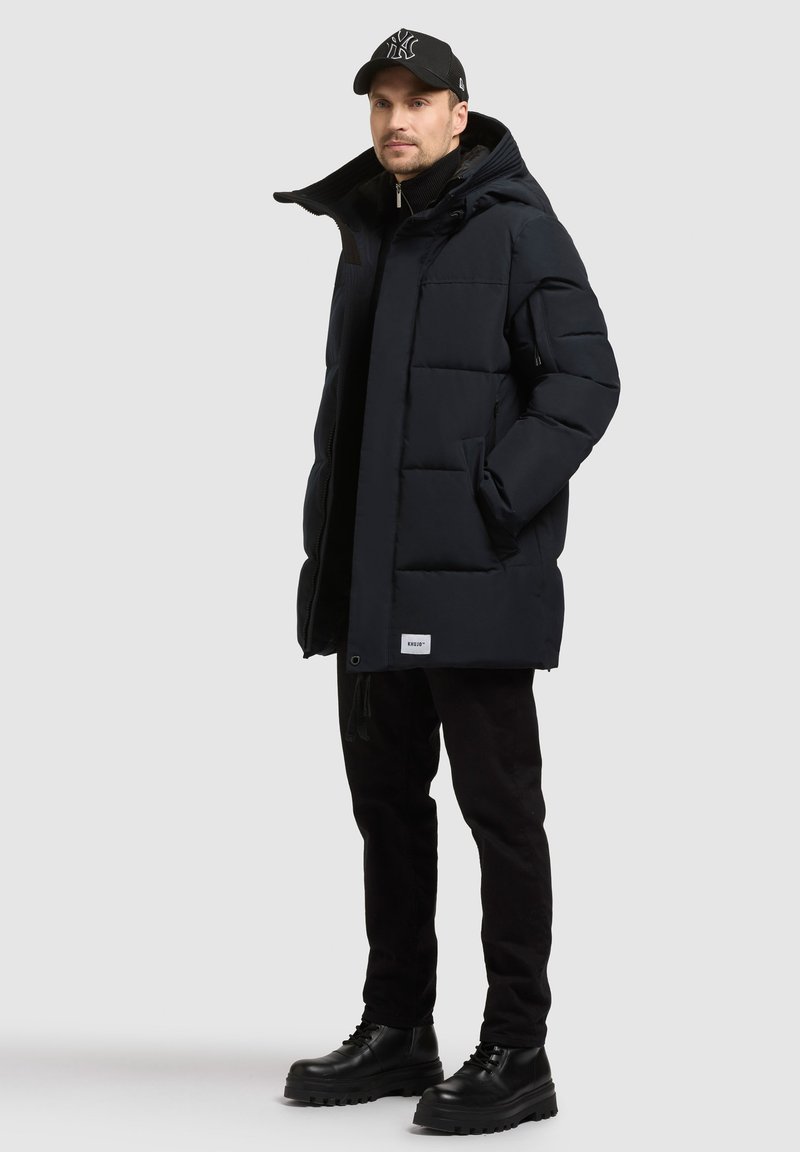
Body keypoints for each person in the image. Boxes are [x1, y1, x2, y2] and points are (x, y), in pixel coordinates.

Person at [274, 27, 620, 1136]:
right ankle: (398, 1028)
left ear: (459, 114)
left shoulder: (516, 229)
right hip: (371, 583)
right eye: (380, 102)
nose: (395, 120)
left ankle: (518, 1049)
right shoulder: (375, 231)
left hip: (471, 581)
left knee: (500, 816)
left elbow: (586, 380)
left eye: (417, 101)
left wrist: (492, 498)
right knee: (386, 810)